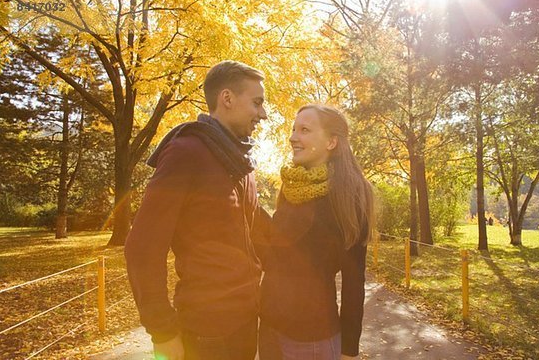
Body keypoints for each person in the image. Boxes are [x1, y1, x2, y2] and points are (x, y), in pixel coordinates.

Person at [124, 60, 268, 360]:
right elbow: (143, 247)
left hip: (245, 325)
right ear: (227, 98)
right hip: (207, 335)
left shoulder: (241, 163)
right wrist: (162, 330)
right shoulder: (186, 152)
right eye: (257, 103)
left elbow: (262, 236)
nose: (262, 114)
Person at [254, 104, 375, 360]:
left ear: (331, 142)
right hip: (269, 329)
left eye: (305, 130)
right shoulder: (292, 187)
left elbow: (354, 281)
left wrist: (349, 349)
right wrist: (247, 203)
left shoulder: (348, 195)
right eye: (294, 130)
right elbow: (275, 253)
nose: (293, 137)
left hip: (312, 338)